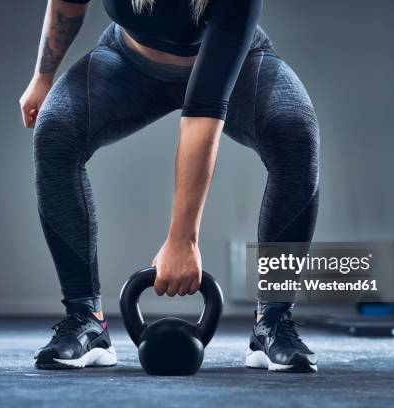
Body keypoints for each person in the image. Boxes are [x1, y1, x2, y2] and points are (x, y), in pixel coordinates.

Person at [19, 0, 319, 372]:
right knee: (55, 129)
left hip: (236, 67)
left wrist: (182, 241)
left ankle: (272, 321)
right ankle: (86, 320)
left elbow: (202, 116)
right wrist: (42, 77)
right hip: (128, 62)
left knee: (295, 131)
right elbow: (67, 3)